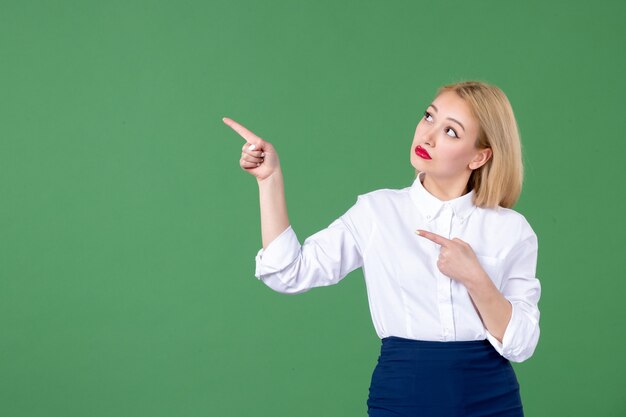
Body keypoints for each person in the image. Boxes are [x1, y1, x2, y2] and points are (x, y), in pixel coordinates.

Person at [223, 80, 541, 417]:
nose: (428, 136)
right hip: (404, 392)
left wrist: (476, 277)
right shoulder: (376, 212)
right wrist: (269, 180)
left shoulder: (511, 229)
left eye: (451, 132)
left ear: (479, 156)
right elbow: (289, 273)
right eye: (429, 117)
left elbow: (522, 344)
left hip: (491, 398)